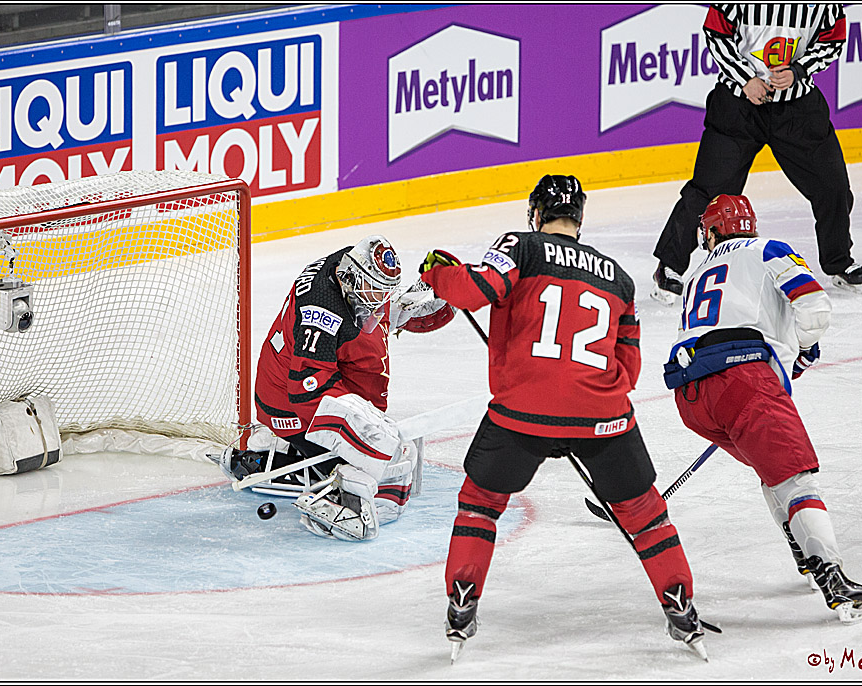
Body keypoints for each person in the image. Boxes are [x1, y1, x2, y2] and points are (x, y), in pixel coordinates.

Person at [419, 175, 714, 661]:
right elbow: (631, 366)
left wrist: (437, 275)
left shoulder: (522, 246)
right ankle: (680, 603)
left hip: (523, 411)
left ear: (536, 213)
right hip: (603, 414)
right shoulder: (617, 275)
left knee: (481, 502)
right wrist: (591, 403)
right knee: (644, 512)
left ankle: (463, 598)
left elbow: (477, 289)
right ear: (579, 216)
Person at [664, 193, 862, 623]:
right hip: (744, 380)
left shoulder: (696, 275)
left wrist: (786, 357)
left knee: (772, 471)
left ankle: (804, 554)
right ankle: (833, 578)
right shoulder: (768, 249)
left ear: (710, 231)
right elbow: (815, 308)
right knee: (794, 478)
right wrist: (800, 351)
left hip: (691, 395)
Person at [217, 234, 454, 541]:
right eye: (374, 291)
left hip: (305, 381)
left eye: (385, 293)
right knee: (383, 458)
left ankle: (291, 458)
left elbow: (368, 321)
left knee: (389, 448)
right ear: (354, 278)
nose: (379, 301)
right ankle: (343, 499)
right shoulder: (321, 314)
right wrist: (362, 437)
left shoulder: (348, 269)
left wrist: (429, 296)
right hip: (288, 401)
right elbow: (306, 393)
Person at [651, 3, 862, 306]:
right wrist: (745, 79)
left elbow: (832, 40)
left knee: (832, 186)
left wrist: (799, 70)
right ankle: (671, 265)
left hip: (798, 110)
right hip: (738, 107)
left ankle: (838, 260)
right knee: (708, 190)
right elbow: (716, 34)